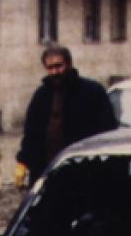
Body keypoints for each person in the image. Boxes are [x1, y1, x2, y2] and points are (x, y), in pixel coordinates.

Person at [15, 45, 116, 186]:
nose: (55, 71)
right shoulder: (41, 96)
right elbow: (31, 134)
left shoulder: (92, 92)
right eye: (50, 68)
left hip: (83, 173)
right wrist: (23, 161)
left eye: (59, 66)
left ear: (69, 64)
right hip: (47, 171)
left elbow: (107, 132)